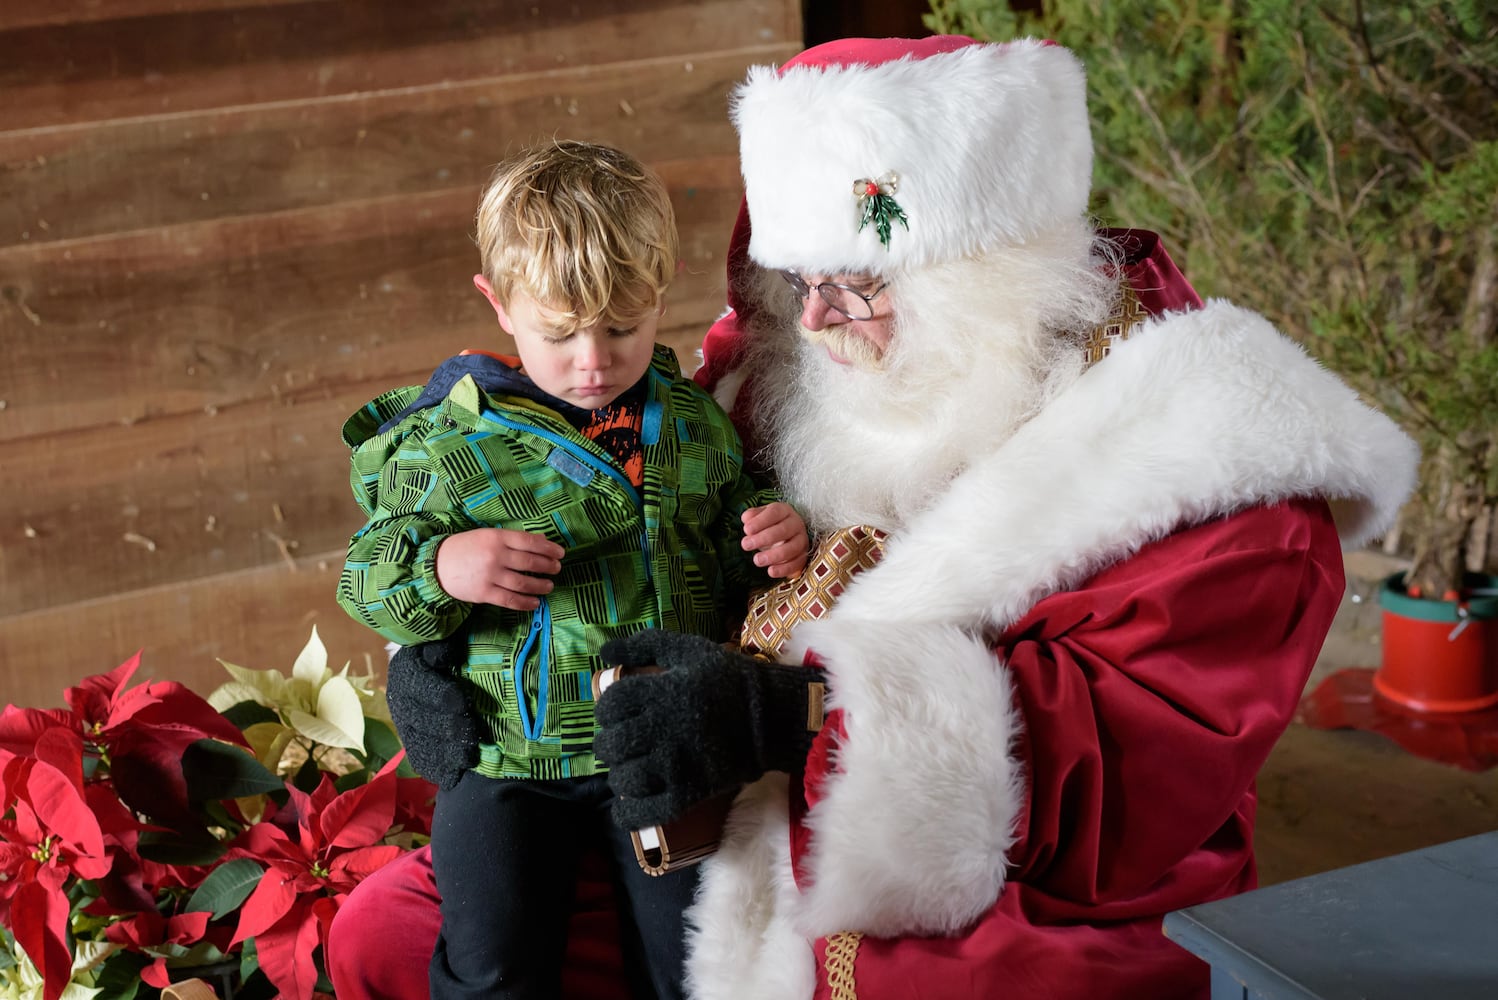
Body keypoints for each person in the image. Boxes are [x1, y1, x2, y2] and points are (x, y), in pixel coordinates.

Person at [327, 36, 1419, 1000]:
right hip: (715, 811)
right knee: (399, 928)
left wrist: (789, 719)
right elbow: (574, 497)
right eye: (793, 280)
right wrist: (440, 640)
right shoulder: (796, 361)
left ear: (976, 264)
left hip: (1011, 882)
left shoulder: (1210, 454)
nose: (813, 321)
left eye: (852, 283)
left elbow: (1123, 770)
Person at [334, 139, 809, 1000]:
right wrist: (442, 564)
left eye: (624, 326)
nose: (594, 359)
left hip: (660, 750)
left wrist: (775, 535)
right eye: (560, 332)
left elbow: (740, 533)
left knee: (697, 964)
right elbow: (365, 577)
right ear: (500, 305)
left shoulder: (694, 425)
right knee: (494, 966)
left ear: (660, 295)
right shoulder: (448, 443)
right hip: (507, 762)